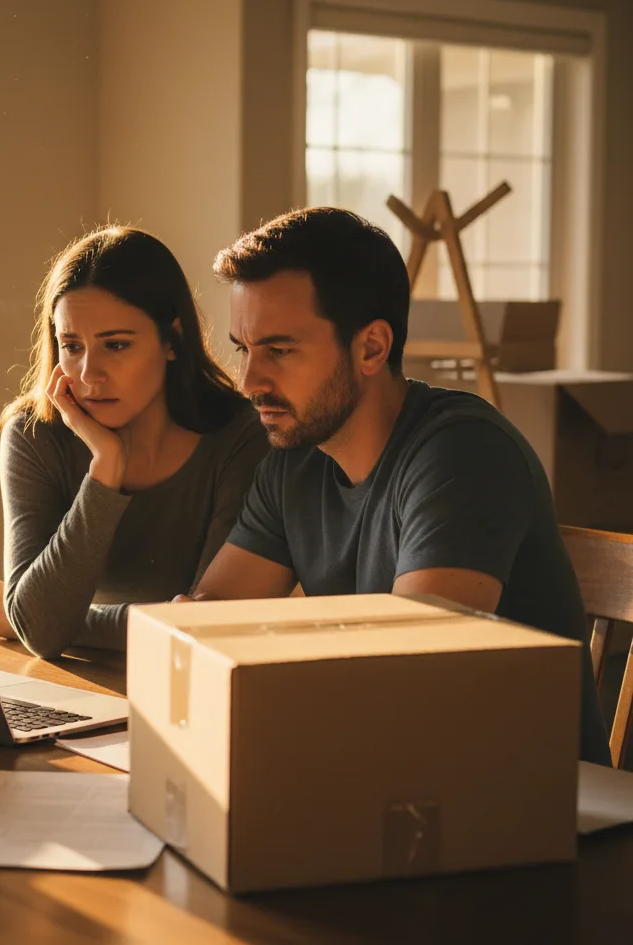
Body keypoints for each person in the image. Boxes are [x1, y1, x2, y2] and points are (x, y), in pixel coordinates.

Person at [189, 206, 611, 765]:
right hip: (384, 775)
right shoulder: (295, 458)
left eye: (280, 350)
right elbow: (209, 619)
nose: (250, 381)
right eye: (245, 349)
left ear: (371, 347)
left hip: (529, 805)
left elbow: (408, 669)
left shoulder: (464, 452)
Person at [0, 225, 269, 659]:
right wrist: (106, 469)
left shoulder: (239, 437)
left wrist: (27, 617)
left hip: (188, 690)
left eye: (117, 345)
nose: (89, 374)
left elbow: (201, 630)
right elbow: (43, 631)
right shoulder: (35, 435)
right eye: (72, 345)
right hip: (82, 685)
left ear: (172, 340)